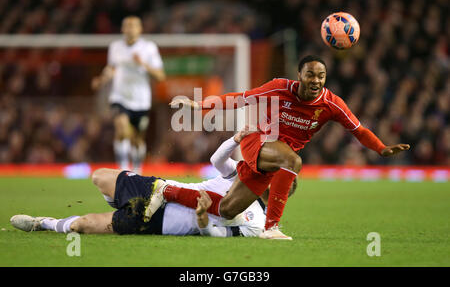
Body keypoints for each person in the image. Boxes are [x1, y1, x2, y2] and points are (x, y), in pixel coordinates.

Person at [146, 55, 410, 240]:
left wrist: (381, 148)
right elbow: (241, 98)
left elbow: (359, 130)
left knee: (227, 210)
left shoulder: (332, 104)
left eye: (321, 76)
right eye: (310, 74)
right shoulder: (279, 88)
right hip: (258, 139)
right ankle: (271, 227)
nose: (316, 80)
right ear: (300, 75)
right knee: (293, 162)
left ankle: (166, 189)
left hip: (273, 159)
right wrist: (201, 105)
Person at [10, 129, 291, 237]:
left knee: (81, 225)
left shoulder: (255, 220)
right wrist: (236, 139)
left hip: (159, 222)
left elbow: (218, 234)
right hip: (157, 189)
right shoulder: (241, 176)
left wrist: (203, 220)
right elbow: (217, 160)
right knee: (99, 176)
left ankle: (41, 223)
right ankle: (126, 201)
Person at [91, 16, 165, 173]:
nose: (130, 29)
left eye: (133, 26)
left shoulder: (148, 48)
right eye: (127, 26)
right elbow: (111, 68)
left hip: (141, 100)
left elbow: (160, 76)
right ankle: (123, 170)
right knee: (122, 129)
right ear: (122, 29)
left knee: (137, 139)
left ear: (140, 29)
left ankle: (137, 170)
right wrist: (101, 79)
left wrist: (142, 64)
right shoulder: (115, 47)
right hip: (120, 97)